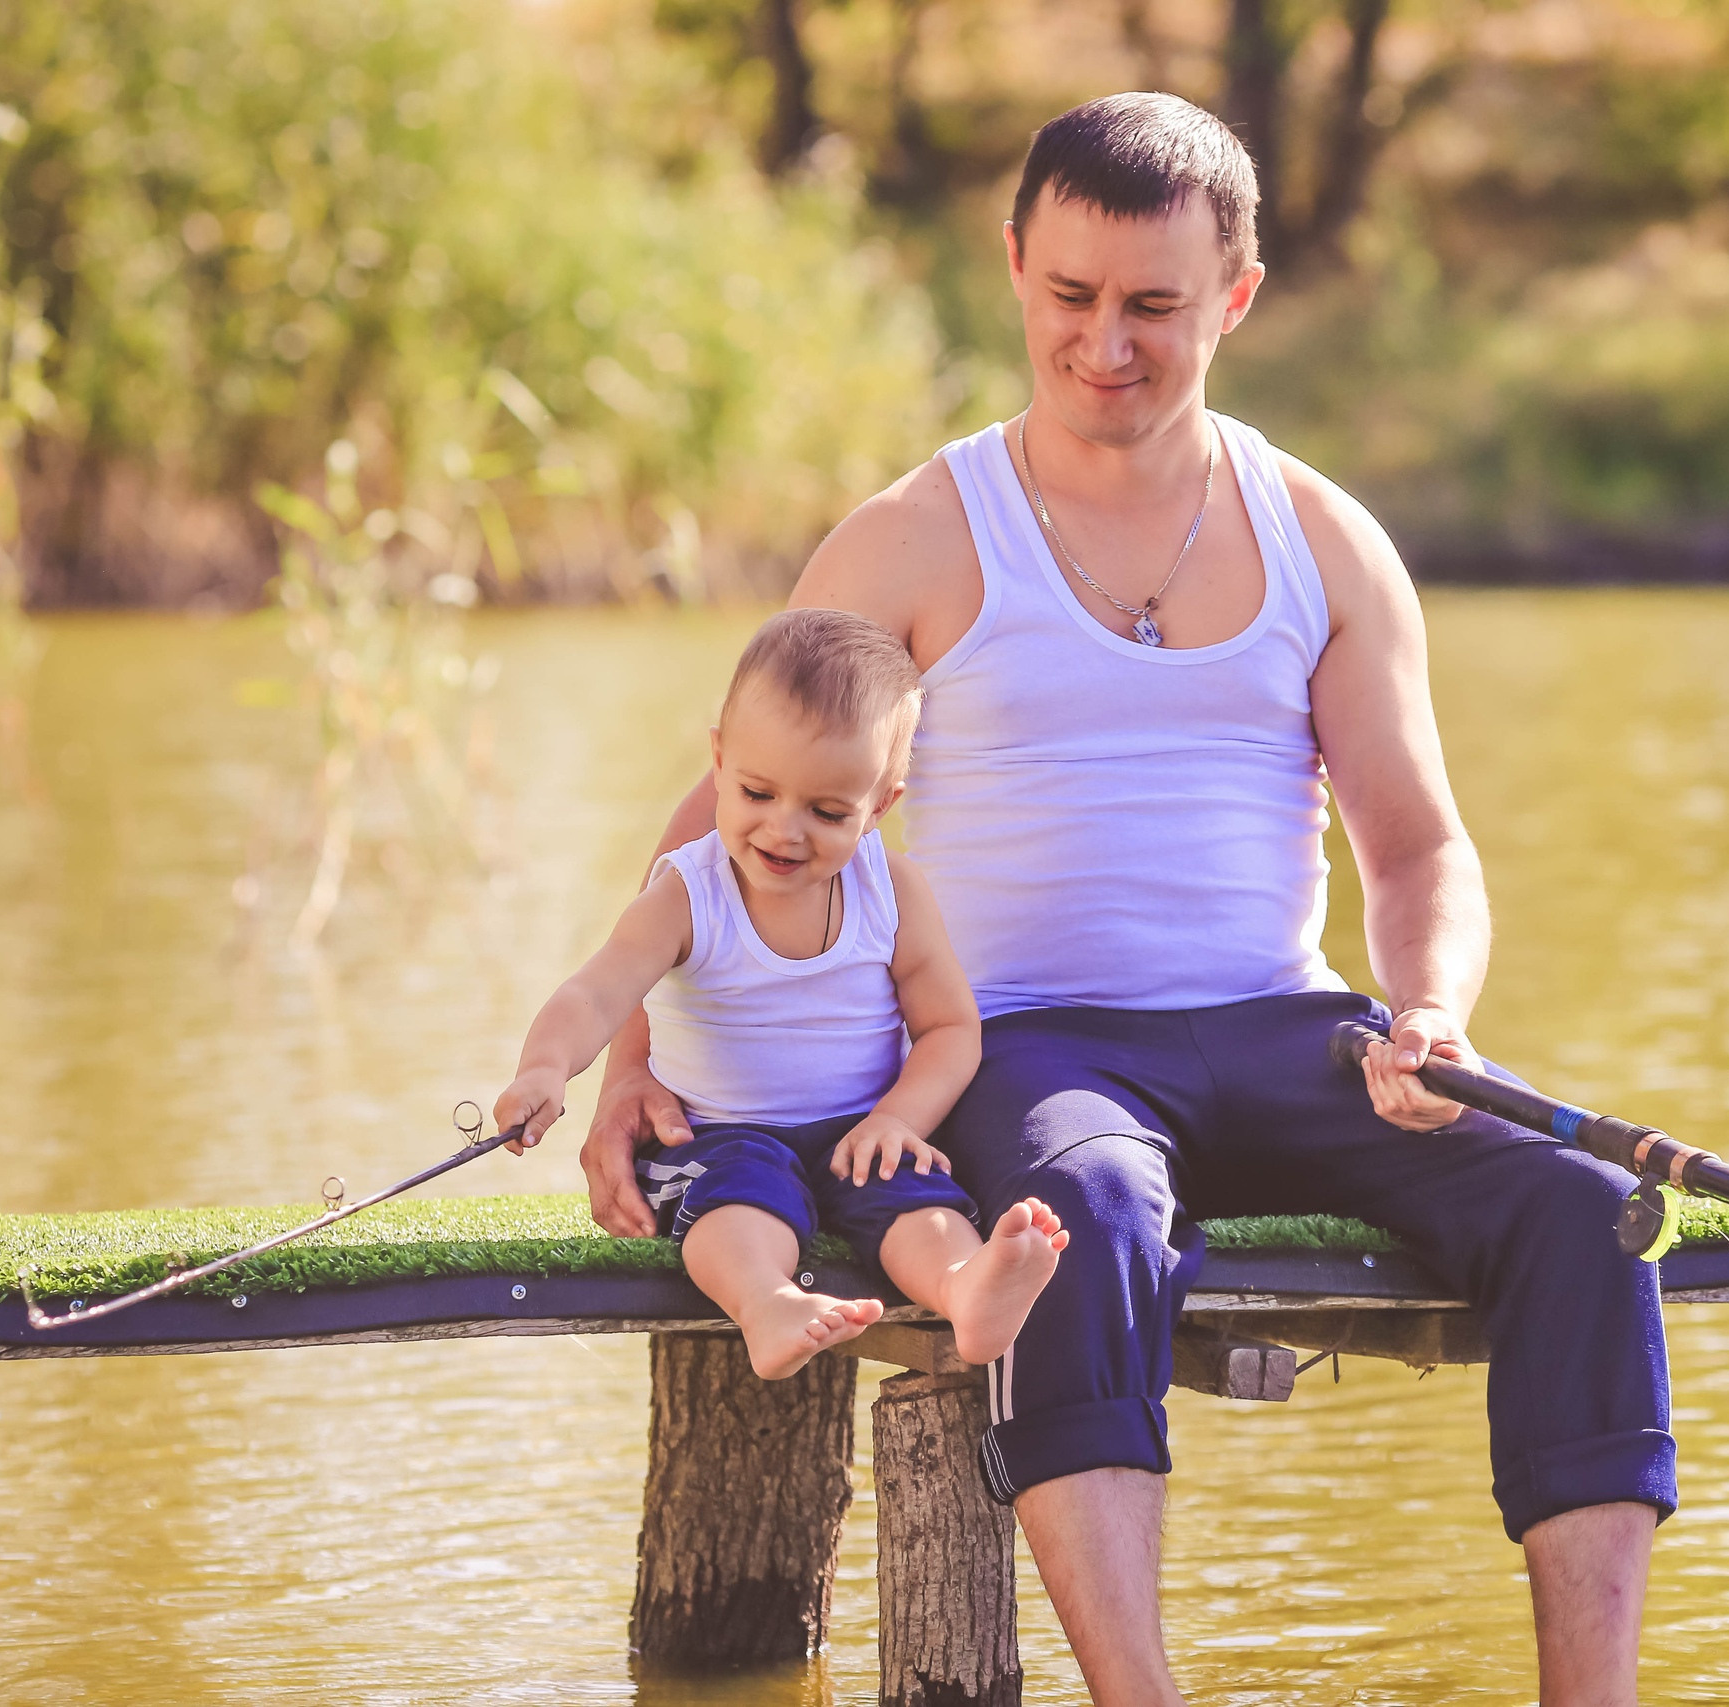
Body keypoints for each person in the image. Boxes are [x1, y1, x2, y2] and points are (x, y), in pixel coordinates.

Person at [581, 95, 1668, 1706]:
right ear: (1016, 266)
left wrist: (1428, 1007)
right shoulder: (915, 538)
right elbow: (730, 816)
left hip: (1292, 1029)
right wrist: (623, 1062)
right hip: (1029, 1046)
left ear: (1234, 296)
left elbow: (1419, 845)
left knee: (1585, 1209)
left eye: (1153, 306)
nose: (1105, 344)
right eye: (1071, 296)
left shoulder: (1324, 540)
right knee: (1074, 1214)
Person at [492, 608, 1068, 1380]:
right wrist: (545, 1068)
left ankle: (970, 1292)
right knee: (737, 1203)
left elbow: (950, 1029)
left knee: (915, 1197)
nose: (784, 830)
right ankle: (767, 1303)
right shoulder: (688, 895)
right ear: (720, 760)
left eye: (828, 811)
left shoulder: (892, 892)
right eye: (757, 792)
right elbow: (596, 993)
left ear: (882, 805)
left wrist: (898, 1118)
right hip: (721, 1132)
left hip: (856, 1128)